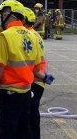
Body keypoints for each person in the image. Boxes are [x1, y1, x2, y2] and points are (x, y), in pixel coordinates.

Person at [0, 0, 49, 139]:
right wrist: (45, 77)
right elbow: (36, 70)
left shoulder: (5, 36)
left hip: (9, 94)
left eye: (2, 13)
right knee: (24, 131)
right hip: (26, 93)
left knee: (6, 131)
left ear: (9, 14)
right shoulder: (33, 36)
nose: (1, 17)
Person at [23, 7, 55, 139]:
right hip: (39, 80)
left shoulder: (26, 36)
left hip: (34, 81)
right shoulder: (33, 34)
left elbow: (28, 65)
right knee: (32, 115)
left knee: (29, 117)